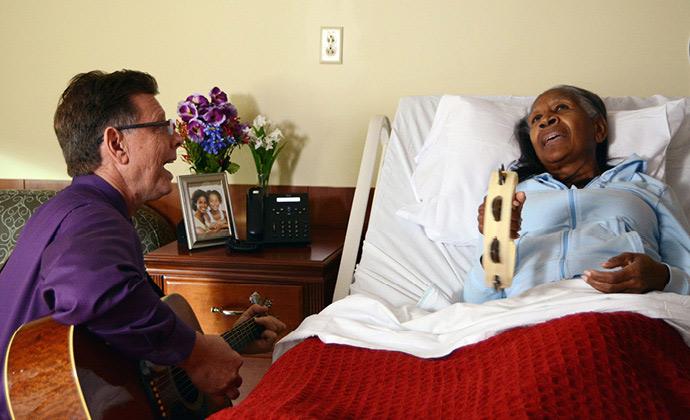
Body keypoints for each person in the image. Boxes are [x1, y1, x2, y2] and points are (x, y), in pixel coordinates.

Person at [0, 70, 285, 420]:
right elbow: (91, 294)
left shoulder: (68, 210)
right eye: (162, 126)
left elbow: (127, 335)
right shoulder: (94, 218)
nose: (178, 140)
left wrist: (218, 345)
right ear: (117, 144)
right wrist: (195, 353)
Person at [462, 85, 690, 303]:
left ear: (598, 128)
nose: (546, 120)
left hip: (626, 311)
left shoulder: (646, 190)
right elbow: (475, 302)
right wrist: (496, 245)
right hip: (529, 315)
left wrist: (661, 277)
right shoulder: (507, 198)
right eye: (536, 119)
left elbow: (687, 278)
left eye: (561, 107)